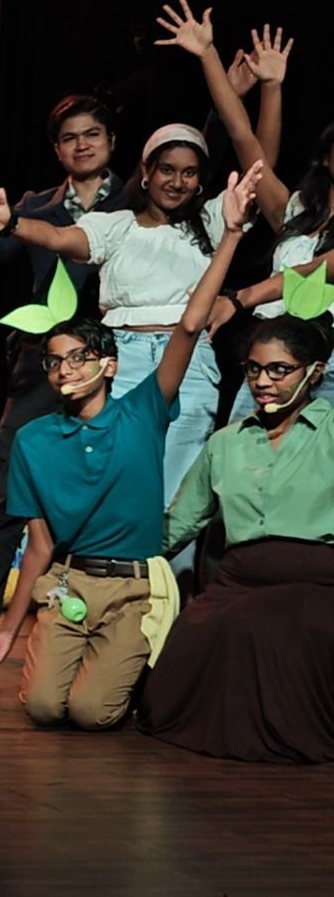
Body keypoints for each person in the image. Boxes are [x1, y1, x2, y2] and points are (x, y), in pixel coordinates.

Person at [0, 163, 262, 730]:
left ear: (108, 365)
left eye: (78, 358)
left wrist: (230, 234)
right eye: (55, 361)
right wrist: (5, 626)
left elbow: (190, 324)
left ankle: (129, 668)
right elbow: (39, 545)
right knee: (46, 708)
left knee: (93, 713)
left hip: (132, 589)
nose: (64, 370)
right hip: (70, 585)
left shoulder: (142, 413)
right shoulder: (36, 439)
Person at [0, 94, 129, 659]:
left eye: (93, 134)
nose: (82, 145)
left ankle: (118, 617)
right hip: (43, 365)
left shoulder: (139, 199)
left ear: (111, 142)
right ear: (57, 149)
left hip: (119, 363)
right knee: (11, 491)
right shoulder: (37, 207)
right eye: (70, 137)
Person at [140, 309, 334, 762]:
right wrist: (118, 551)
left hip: (316, 581)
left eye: (279, 370)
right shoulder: (226, 442)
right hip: (239, 579)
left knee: (266, 624)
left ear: (315, 372)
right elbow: (181, 521)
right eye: (254, 369)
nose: (263, 381)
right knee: (186, 649)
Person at [160, 11, 334, 417]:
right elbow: (244, 138)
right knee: (246, 463)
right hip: (272, 358)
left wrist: (243, 297)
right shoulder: (295, 212)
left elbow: (325, 267)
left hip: (330, 362)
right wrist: (210, 56)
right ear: (326, 158)